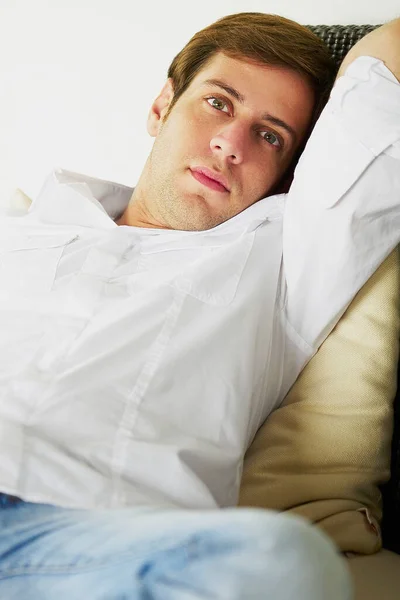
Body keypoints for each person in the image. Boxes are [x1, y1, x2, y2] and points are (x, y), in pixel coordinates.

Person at [0, 11, 399, 599]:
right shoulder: (18, 230)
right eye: (218, 103)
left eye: (270, 135)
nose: (230, 143)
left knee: (281, 562)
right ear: (162, 106)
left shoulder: (286, 260)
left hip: (83, 545)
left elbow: (388, 63)